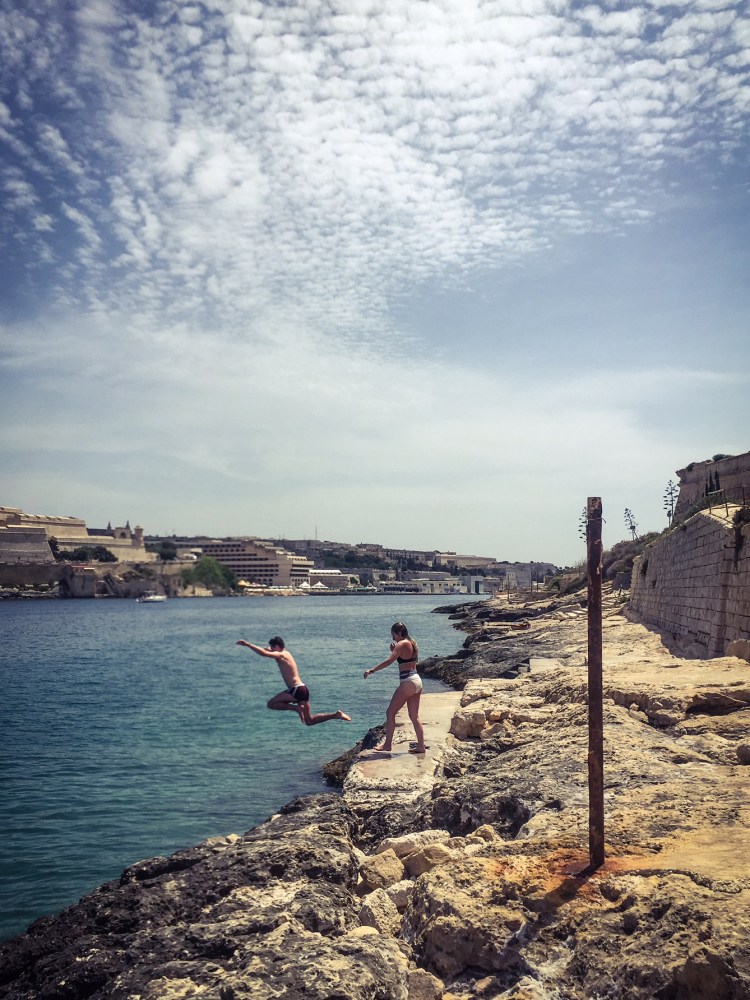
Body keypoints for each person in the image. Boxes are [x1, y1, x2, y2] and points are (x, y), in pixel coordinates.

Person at [236, 636, 351, 726]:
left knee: (271, 704)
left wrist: (248, 644)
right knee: (309, 721)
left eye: (272, 648)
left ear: (277, 646)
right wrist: (267, 648)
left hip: (296, 689)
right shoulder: (287, 653)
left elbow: (264, 653)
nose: (271, 650)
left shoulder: (281, 654)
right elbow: (267, 650)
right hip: (303, 689)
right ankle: (336, 715)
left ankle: (296, 708)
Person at [363, 621, 427, 754]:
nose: (392, 638)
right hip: (417, 680)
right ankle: (421, 746)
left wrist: (372, 670)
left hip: (408, 682)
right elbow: (405, 659)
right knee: (414, 716)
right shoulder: (412, 643)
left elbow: (389, 661)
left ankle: (387, 745)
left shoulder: (400, 644)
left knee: (390, 713)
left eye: (393, 635)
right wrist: (394, 651)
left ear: (398, 633)